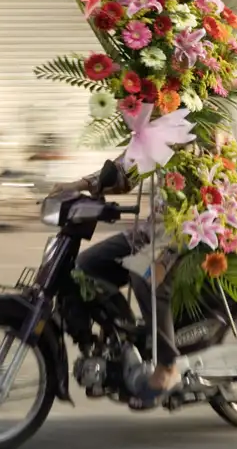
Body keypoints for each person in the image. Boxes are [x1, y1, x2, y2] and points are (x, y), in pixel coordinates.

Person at [50, 152, 180, 410]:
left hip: (187, 234)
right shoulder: (156, 136)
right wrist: (77, 186)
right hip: (151, 232)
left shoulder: (202, 135)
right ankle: (125, 338)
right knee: (84, 268)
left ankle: (168, 366)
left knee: (144, 275)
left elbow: (211, 188)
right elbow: (126, 169)